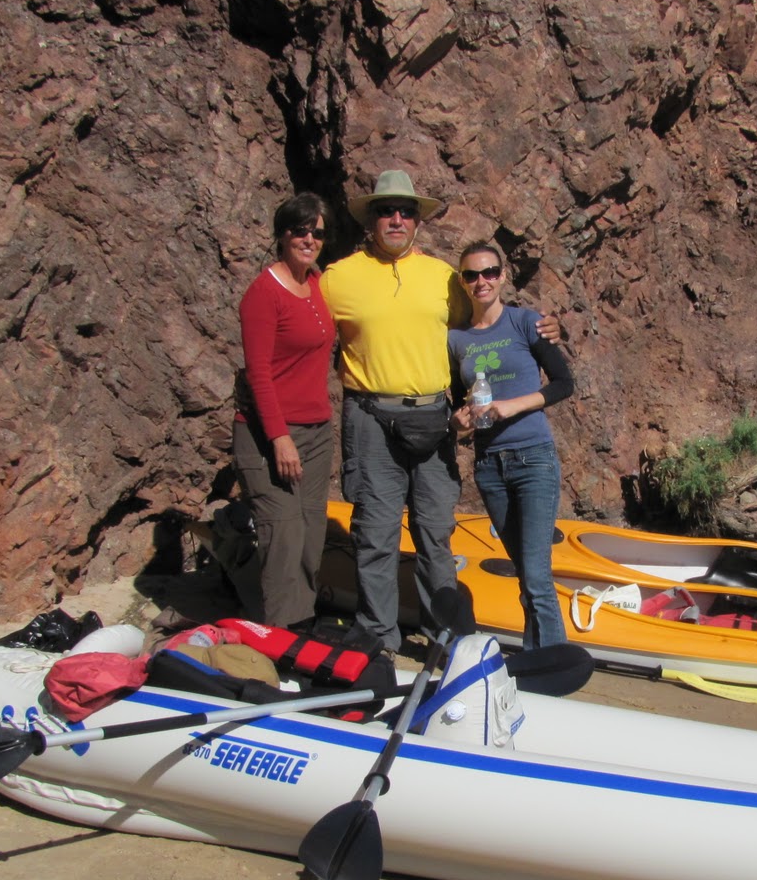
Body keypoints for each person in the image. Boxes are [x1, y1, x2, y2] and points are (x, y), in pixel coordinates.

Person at [321, 169, 561, 652]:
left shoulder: (445, 278)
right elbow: (307, 337)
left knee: (435, 530)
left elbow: (484, 321)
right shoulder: (338, 277)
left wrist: (545, 329)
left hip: (433, 417)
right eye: (385, 211)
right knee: (376, 532)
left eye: (405, 212)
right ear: (370, 220)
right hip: (369, 418)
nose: (395, 219)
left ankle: (444, 636)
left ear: (417, 222)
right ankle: (378, 638)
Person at [449, 242, 575, 649]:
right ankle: (532, 657)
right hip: (489, 466)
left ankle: (554, 662)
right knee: (524, 571)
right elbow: (456, 401)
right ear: (462, 282)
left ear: (502, 276)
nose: (481, 281)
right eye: (471, 275)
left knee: (537, 574)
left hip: (533, 459)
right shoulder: (457, 340)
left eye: (489, 272)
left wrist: (511, 406)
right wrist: (459, 419)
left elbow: (563, 383)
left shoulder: (526, 323)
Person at [231, 192, 336, 629]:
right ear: (282, 234)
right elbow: (258, 373)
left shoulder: (315, 284)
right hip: (270, 434)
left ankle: (303, 623)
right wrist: (279, 437)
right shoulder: (263, 293)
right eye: (300, 229)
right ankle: (278, 637)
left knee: (311, 536)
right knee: (283, 536)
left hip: (316, 431)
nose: (309, 238)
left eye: (317, 232)